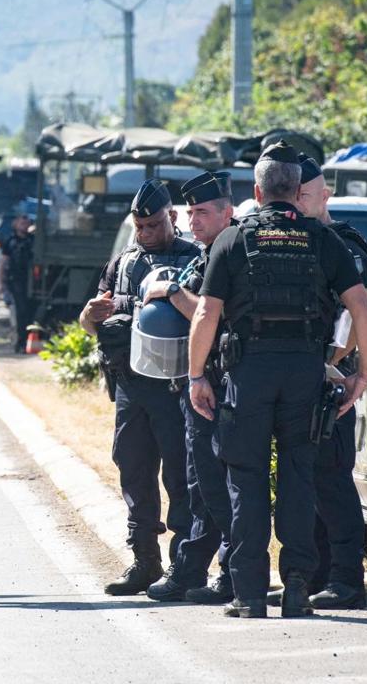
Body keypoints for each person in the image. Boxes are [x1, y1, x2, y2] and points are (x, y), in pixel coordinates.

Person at [188, 141, 367, 618]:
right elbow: (362, 307)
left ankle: (249, 594)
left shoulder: (234, 239)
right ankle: (295, 587)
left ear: (257, 190)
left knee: (246, 480)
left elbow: (207, 312)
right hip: (305, 374)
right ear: (296, 190)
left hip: (248, 374)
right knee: (298, 478)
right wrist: (363, 374)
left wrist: (196, 376)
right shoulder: (324, 240)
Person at [80, 179, 198, 596]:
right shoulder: (122, 262)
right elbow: (89, 319)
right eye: (139, 226)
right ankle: (144, 560)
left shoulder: (193, 259)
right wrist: (91, 314)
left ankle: (185, 564)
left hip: (175, 386)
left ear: (172, 216)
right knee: (133, 469)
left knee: (182, 475)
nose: (145, 233)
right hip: (130, 384)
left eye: (152, 224)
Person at [285, 156, 367, 610]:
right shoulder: (296, 242)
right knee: (306, 482)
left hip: (332, 384)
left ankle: (346, 578)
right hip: (300, 380)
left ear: (324, 197)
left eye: (305, 194)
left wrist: (324, 363)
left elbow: (353, 320)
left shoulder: (344, 247)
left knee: (331, 479)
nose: (296, 201)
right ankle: (318, 574)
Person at [141, 171, 236, 604]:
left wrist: (171, 290)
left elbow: (211, 317)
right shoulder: (207, 253)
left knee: (220, 483)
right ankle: (191, 568)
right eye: (191, 212)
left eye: (203, 212)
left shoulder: (233, 252)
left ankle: (229, 572)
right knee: (199, 482)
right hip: (198, 384)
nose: (193, 220)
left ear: (227, 212)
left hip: (225, 384)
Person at [0, 213, 34, 353]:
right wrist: (0, 283)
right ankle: (19, 342)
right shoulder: (10, 241)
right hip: (15, 281)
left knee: (29, 312)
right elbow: (2, 264)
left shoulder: (33, 240)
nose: (24, 223)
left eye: (27, 221)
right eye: (22, 221)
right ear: (15, 223)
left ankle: (25, 341)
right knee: (20, 312)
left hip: (30, 282)